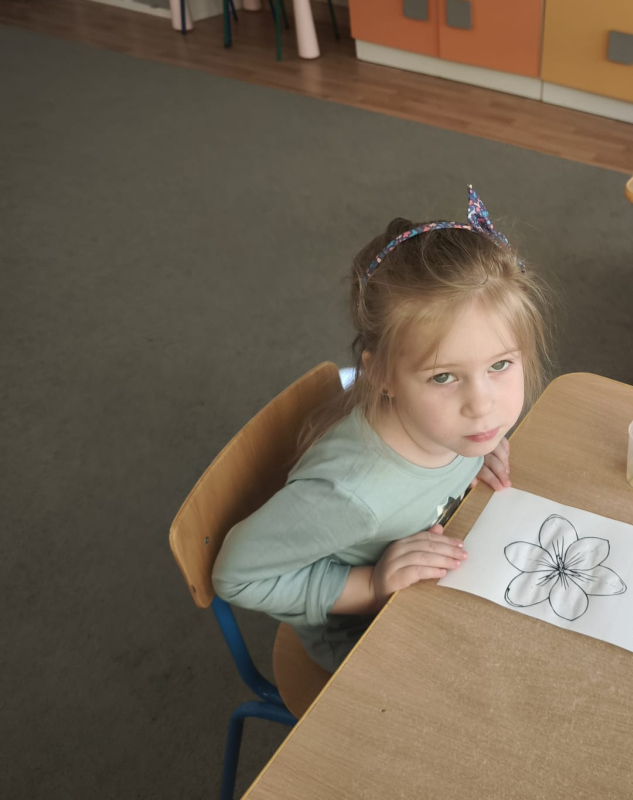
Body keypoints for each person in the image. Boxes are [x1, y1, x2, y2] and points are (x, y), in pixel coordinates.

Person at [213, 188, 550, 671]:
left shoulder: (452, 426)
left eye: (499, 365)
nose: (483, 406)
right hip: (362, 635)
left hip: (439, 573)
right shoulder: (351, 494)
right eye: (443, 377)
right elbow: (236, 577)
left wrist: (478, 451)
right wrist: (372, 585)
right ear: (382, 376)